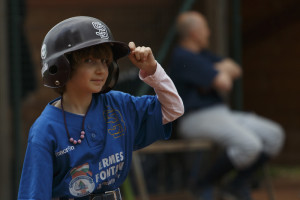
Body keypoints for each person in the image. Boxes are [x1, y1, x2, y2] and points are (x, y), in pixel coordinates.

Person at [18, 16, 184, 200]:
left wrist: (153, 71)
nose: (102, 70)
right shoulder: (45, 130)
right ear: (62, 66)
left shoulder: (119, 105)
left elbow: (173, 109)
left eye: (105, 61)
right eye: (90, 60)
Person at [169, 11, 284, 200]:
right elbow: (225, 83)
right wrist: (218, 72)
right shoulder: (183, 57)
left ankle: (236, 184)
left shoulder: (203, 55)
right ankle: (204, 183)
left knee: (274, 135)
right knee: (249, 145)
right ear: (194, 33)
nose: (209, 33)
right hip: (195, 118)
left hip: (220, 114)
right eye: (205, 29)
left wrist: (211, 72)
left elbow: (236, 69)